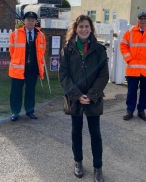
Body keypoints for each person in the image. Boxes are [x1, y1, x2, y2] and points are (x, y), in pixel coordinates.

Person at [59, 15, 109, 182]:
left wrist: (92, 94)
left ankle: (98, 167)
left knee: (95, 133)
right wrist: (78, 95)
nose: (84, 29)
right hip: (76, 99)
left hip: (93, 98)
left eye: (87, 26)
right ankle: (78, 162)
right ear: (76, 28)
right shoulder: (68, 49)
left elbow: (103, 75)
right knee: (76, 131)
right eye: (81, 26)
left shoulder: (99, 50)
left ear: (91, 28)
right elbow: (63, 75)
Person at [8, 11, 46, 121]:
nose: (30, 21)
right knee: (16, 91)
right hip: (18, 68)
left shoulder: (41, 35)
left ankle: (30, 112)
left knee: (30, 91)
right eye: (28, 19)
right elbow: (12, 50)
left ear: (36, 21)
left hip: (33, 69)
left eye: (32, 20)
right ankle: (15, 112)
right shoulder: (15, 34)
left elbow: (42, 51)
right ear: (24, 21)